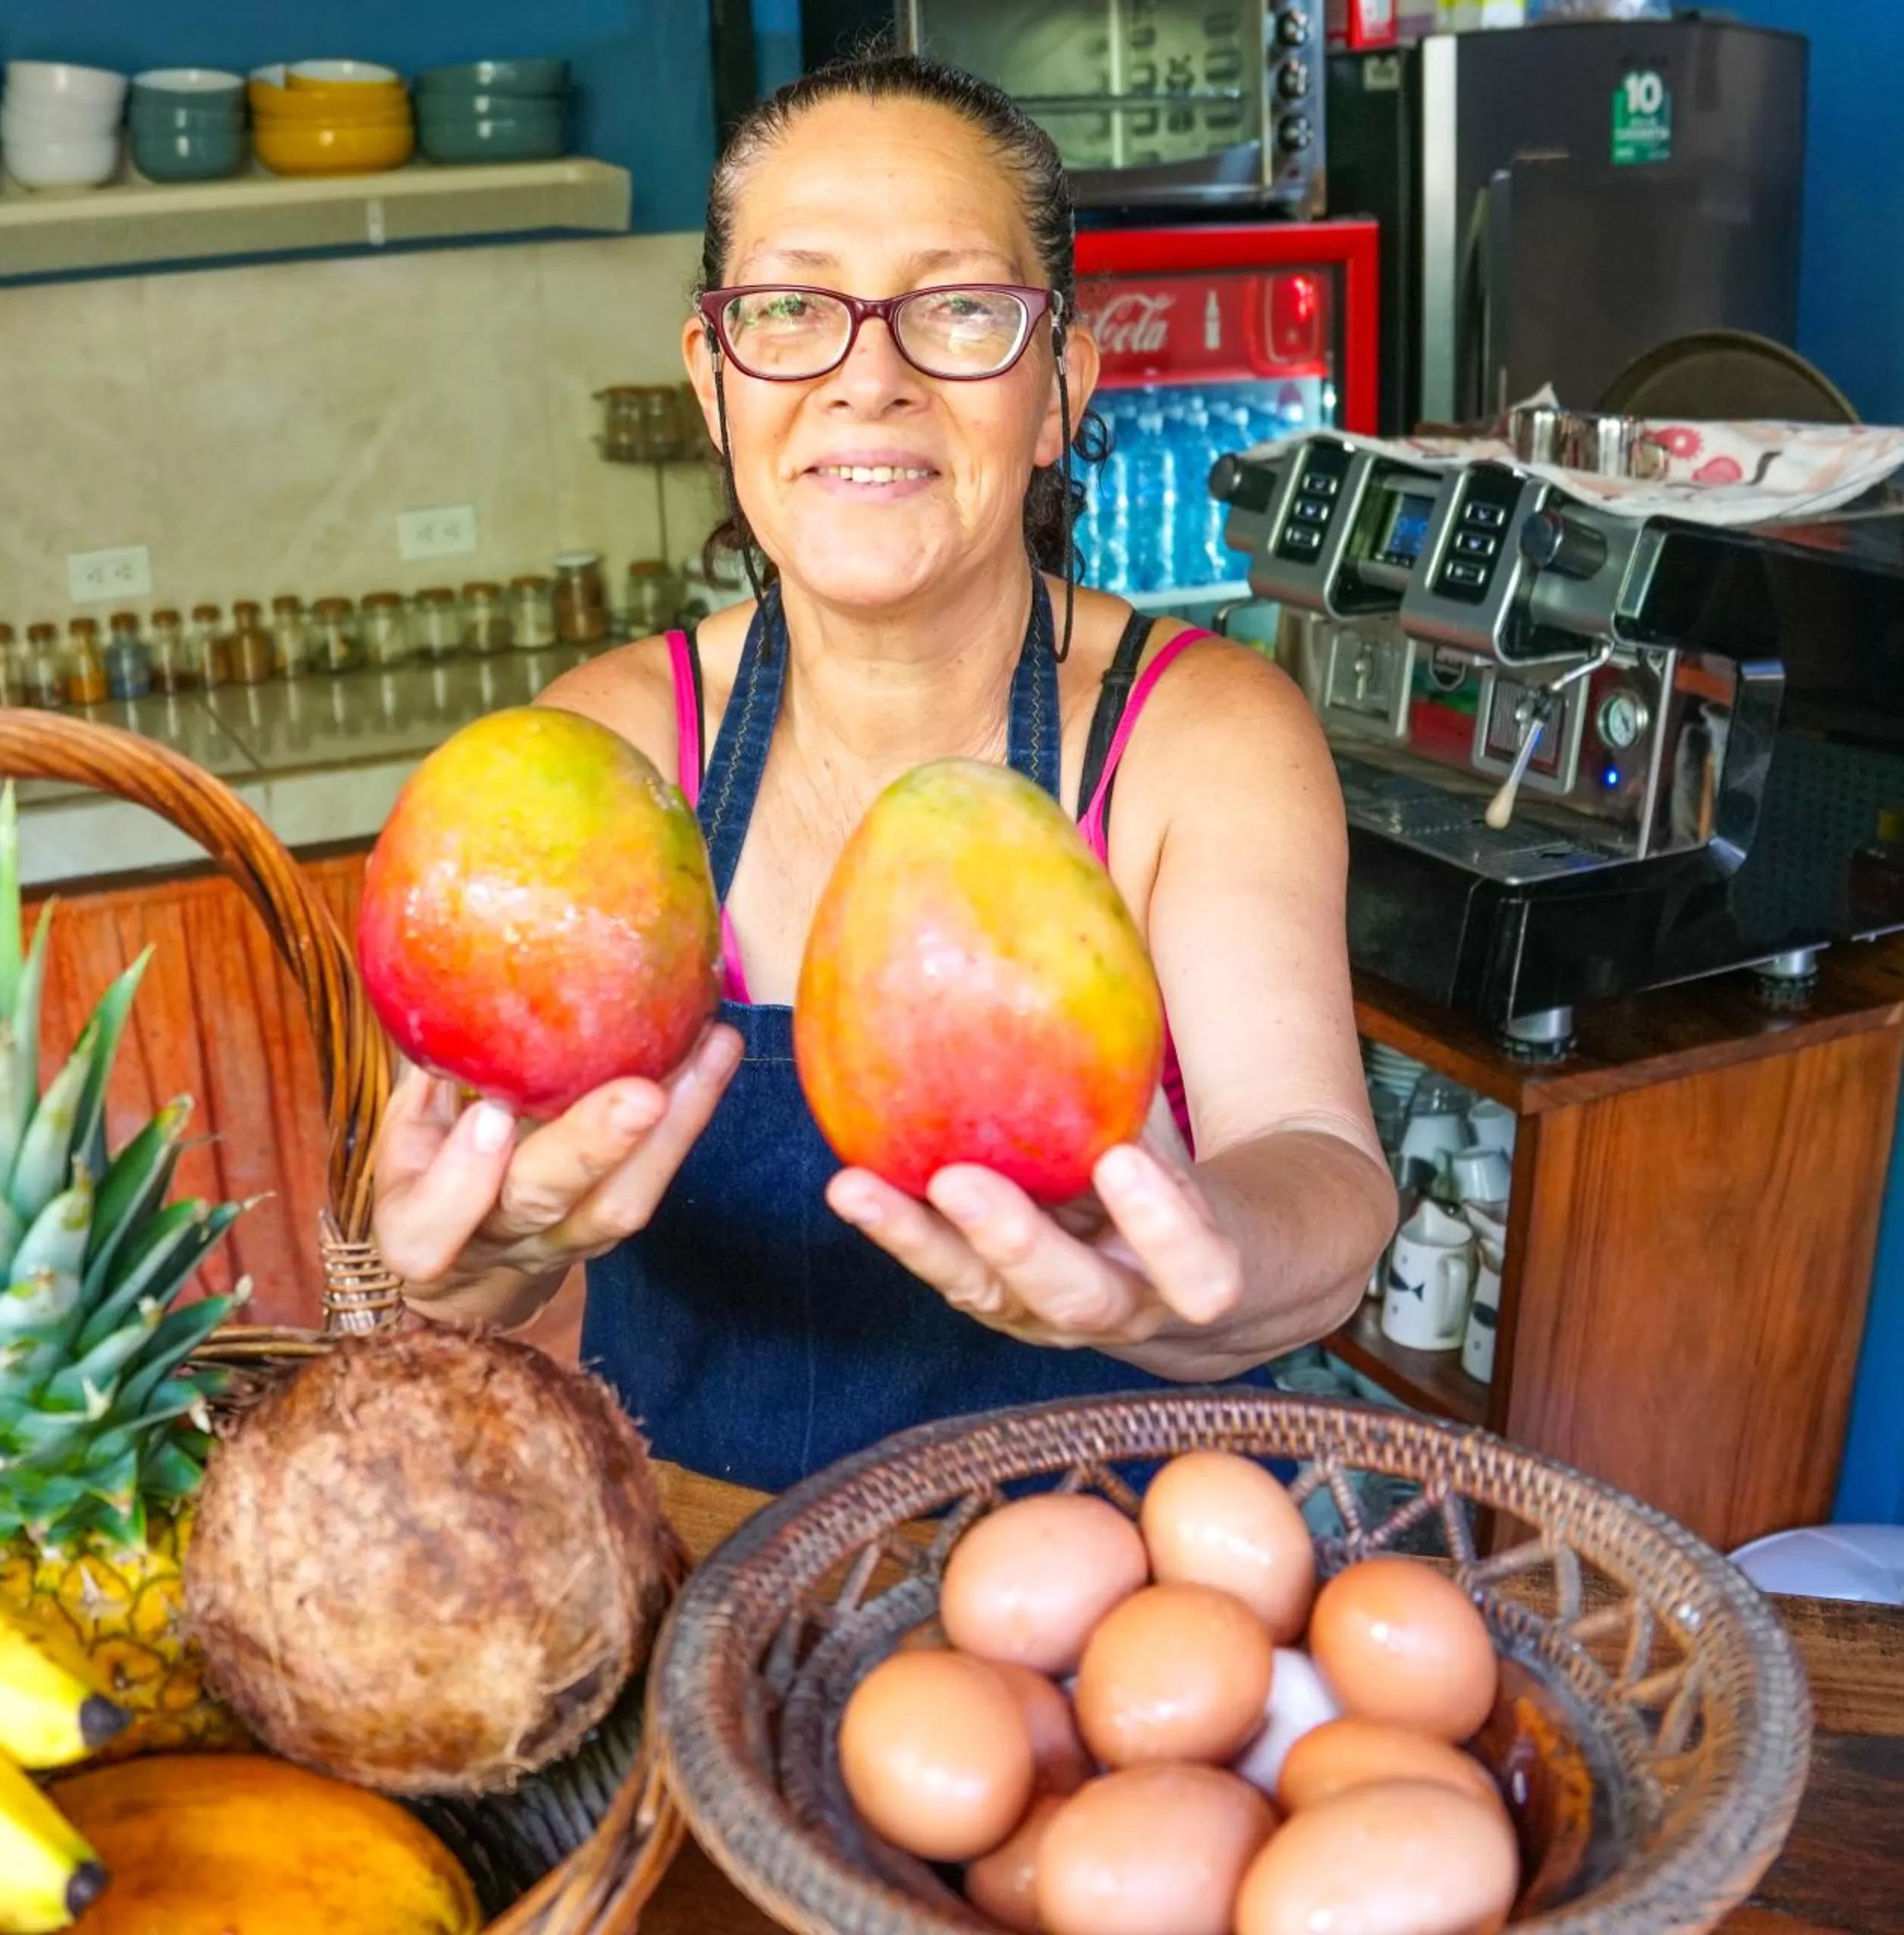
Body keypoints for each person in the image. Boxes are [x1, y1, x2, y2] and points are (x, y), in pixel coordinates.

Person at [369, 53, 1397, 1492]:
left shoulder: (1201, 736)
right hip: (700, 1580)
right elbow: (451, 1249)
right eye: (790, 307)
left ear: (1059, 388)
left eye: (960, 308)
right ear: (714, 383)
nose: (869, 377)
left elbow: (1316, 1162)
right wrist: (469, 1261)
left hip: (1113, 1611)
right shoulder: (608, 753)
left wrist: (1185, 1258)